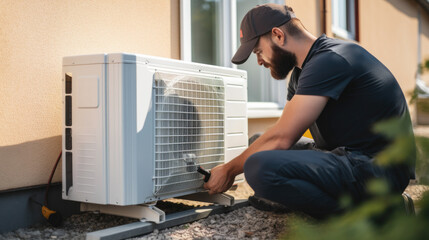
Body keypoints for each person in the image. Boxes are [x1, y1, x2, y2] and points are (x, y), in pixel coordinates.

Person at [203, 3, 416, 219]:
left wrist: (229, 170)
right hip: (347, 156)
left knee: (259, 167)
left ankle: (381, 214)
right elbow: (285, 129)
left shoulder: (330, 59)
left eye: (258, 51)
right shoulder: (302, 72)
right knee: (259, 143)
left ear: (278, 35)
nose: (259, 61)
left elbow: (282, 137)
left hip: (377, 169)